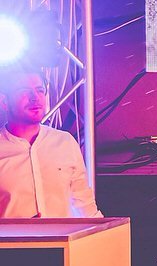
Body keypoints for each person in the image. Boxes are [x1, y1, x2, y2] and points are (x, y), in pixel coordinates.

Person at [0, 66, 102, 219]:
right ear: (4, 101)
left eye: (40, 90)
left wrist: (106, 231)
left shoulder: (65, 142)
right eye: (24, 91)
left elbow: (84, 205)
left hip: (64, 236)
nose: (35, 98)